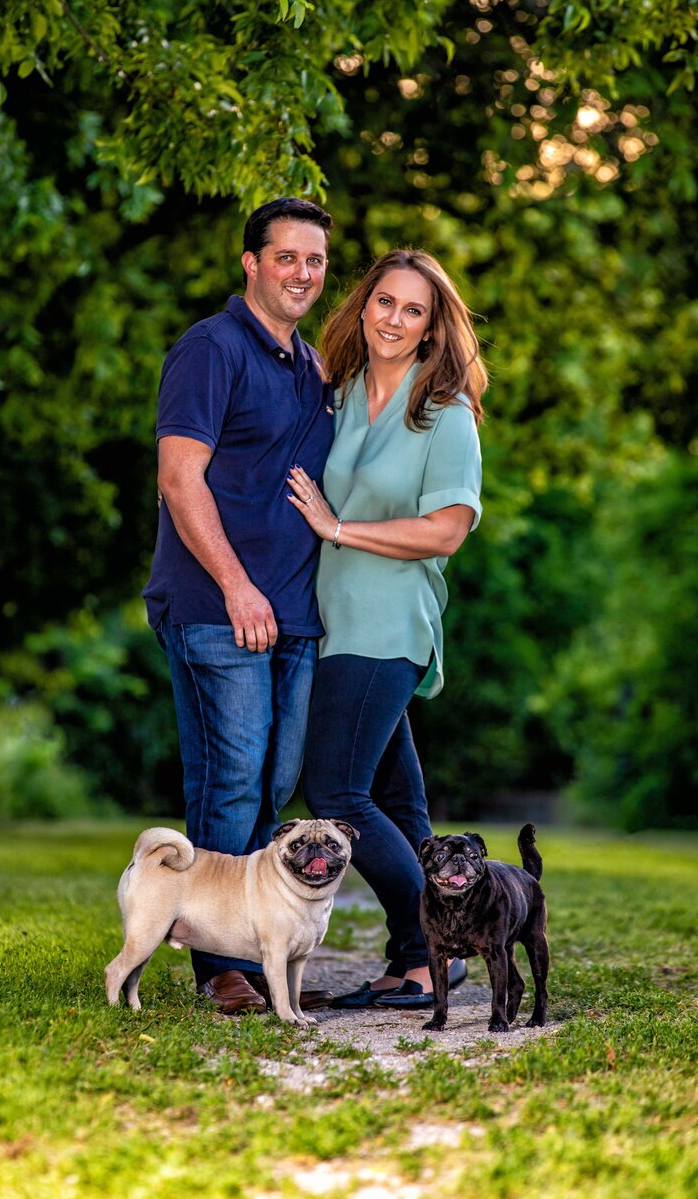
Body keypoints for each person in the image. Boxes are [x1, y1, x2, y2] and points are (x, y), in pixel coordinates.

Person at [143, 197, 335, 1014]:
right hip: (219, 605)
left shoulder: (312, 366)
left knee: (273, 783)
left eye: (316, 260)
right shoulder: (210, 348)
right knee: (230, 784)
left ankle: (253, 945)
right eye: (286, 256)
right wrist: (236, 585)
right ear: (251, 263)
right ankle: (222, 967)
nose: (302, 273)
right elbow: (179, 477)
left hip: (292, 612)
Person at [287, 248, 486, 1009]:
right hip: (334, 620)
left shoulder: (447, 412)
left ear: (435, 328)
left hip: (387, 623)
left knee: (336, 790)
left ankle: (445, 934)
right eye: (385, 303)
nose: (394, 320)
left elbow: (445, 531)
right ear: (362, 305)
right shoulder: (339, 395)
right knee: (399, 804)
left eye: (414, 310)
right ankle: (419, 962)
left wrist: (340, 529)